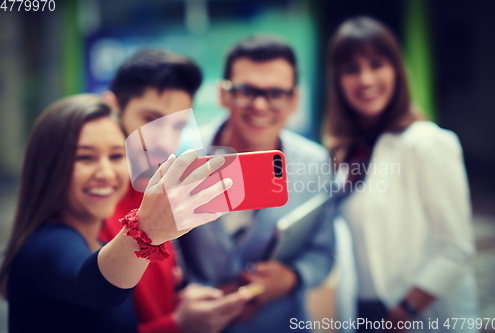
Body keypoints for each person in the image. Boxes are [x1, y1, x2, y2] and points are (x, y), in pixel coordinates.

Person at [0, 94, 241, 333]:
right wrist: (147, 227)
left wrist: (180, 302)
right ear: (49, 167)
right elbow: (96, 287)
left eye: (116, 156)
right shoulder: (45, 245)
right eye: (85, 157)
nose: (105, 172)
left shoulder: (100, 243)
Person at [324, 17, 478, 332]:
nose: (365, 79)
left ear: (397, 69)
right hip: (360, 312)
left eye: (376, 64)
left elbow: (456, 248)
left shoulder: (426, 142)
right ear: (337, 80)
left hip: (414, 315)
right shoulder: (346, 150)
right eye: (351, 69)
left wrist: (405, 310)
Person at [178, 35, 336, 333]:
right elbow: (162, 250)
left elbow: (323, 252)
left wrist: (292, 278)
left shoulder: (314, 163)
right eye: (246, 91)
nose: (260, 106)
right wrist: (191, 291)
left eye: (276, 93)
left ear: (294, 100)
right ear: (223, 95)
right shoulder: (182, 156)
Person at [101, 49, 251, 333]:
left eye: (177, 125)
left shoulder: (152, 187)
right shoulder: (91, 201)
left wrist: (181, 300)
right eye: (150, 118)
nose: (164, 141)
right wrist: (178, 324)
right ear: (112, 107)